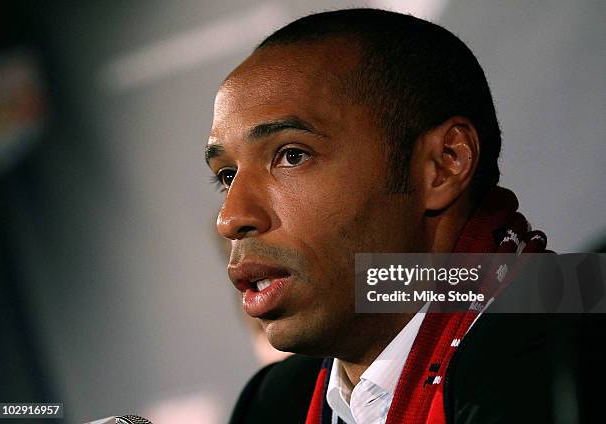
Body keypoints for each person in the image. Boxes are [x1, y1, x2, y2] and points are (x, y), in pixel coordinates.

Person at [205, 9, 599, 424]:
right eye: (226, 176)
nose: (230, 218)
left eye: (292, 156)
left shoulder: (577, 357)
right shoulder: (273, 403)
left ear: (443, 164)